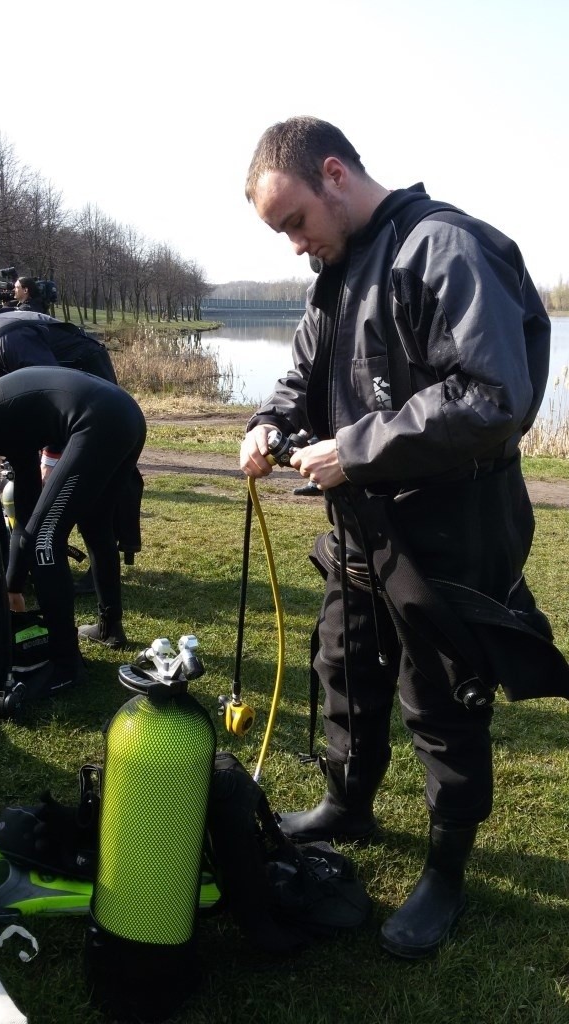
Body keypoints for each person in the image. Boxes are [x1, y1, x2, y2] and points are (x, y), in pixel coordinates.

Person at [239, 116, 569, 960]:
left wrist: (352, 450)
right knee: (343, 664)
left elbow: (495, 397)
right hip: (361, 527)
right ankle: (349, 802)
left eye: (295, 222)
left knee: (443, 700)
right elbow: (302, 374)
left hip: (452, 531)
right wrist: (269, 424)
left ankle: (447, 869)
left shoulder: (447, 248)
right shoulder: (334, 271)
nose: (294, 245)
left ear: (336, 175)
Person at [0, 365, 146, 689]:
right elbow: (26, 509)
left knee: (44, 541)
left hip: (100, 419)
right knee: (95, 524)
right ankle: (109, 628)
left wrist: (11, 584)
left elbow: (29, 530)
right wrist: (13, 587)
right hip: (125, 412)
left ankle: (64, 665)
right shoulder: (7, 421)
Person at [0, 309, 145, 600]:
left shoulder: (6, 341)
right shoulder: (1, 340)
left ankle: (62, 641)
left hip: (89, 398)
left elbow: (50, 384)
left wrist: (50, 459)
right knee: (93, 521)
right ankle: (109, 627)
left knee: (45, 534)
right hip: (119, 411)